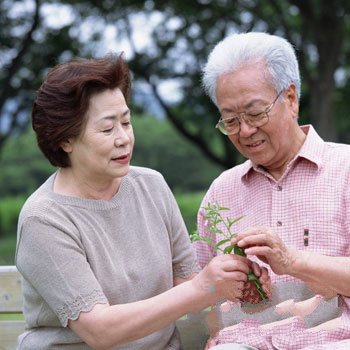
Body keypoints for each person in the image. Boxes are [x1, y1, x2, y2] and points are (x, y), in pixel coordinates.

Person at [15, 54, 269, 349]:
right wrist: (204, 287)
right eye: (108, 129)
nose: (124, 138)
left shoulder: (151, 185)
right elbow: (100, 331)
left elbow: (186, 285)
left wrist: (235, 285)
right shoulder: (44, 219)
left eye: (126, 121)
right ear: (65, 140)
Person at [195, 32, 350, 349]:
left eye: (254, 113)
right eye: (231, 120)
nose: (245, 131)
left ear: (290, 99)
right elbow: (203, 295)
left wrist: (292, 261)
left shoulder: (345, 170)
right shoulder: (221, 191)